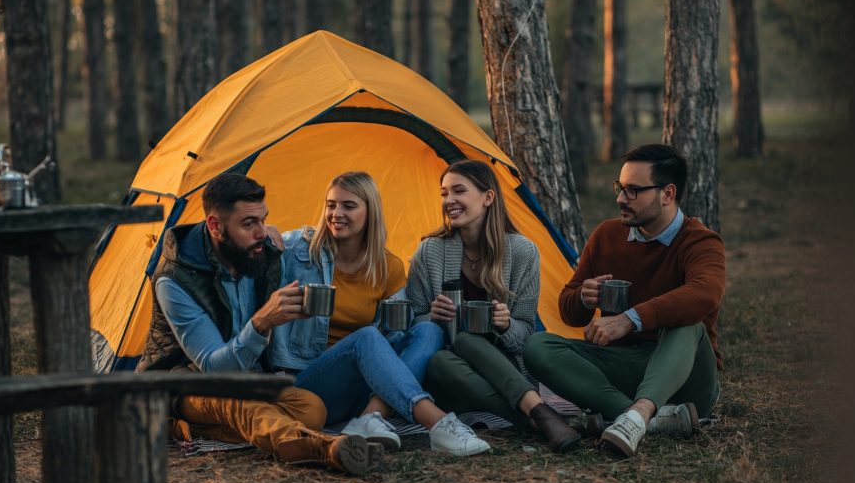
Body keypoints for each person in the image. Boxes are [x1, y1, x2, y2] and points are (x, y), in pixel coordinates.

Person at [136, 172, 383, 476]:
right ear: (215, 226)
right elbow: (214, 369)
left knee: (312, 409)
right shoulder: (175, 280)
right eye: (249, 224)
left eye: (264, 220)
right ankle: (320, 448)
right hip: (183, 381)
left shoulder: (259, 253)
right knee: (244, 406)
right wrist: (262, 321)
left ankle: (188, 430)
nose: (262, 233)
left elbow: (304, 242)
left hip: (248, 376)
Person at [523, 144, 725, 457]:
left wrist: (630, 319)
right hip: (624, 367)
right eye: (620, 188)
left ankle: (638, 414)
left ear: (667, 194)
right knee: (538, 347)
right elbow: (568, 310)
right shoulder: (607, 235)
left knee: (688, 323)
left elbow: (706, 293)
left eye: (633, 191)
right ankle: (648, 420)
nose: (620, 199)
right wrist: (583, 298)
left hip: (685, 376)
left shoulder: (700, 240)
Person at [268, 171, 490, 456]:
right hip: (310, 384)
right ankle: (436, 423)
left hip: (362, 390)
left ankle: (371, 417)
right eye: (331, 205)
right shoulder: (298, 250)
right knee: (367, 337)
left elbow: (397, 335)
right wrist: (266, 235)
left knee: (428, 330)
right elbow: (252, 252)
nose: (336, 213)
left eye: (349, 206)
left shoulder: (387, 267)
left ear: (370, 212)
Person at [406, 159, 582, 453]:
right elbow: (411, 327)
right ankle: (540, 415)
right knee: (441, 358)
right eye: (444, 193)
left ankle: (534, 418)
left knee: (466, 339)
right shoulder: (430, 251)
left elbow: (526, 334)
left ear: (488, 197)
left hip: (506, 371)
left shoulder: (522, 252)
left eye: (459, 191)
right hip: (452, 379)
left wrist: (506, 324)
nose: (449, 201)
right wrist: (430, 317)